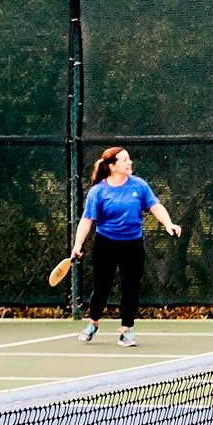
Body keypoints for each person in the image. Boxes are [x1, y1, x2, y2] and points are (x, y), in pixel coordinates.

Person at [61, 147, 182, 346]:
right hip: (105, 244)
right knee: (101, 287)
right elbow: (87, 220)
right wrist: (78, 244)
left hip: (133, 244)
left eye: (129, 159)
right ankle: (93, 323)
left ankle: (127, 330)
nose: (129, 163)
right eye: (124, 160)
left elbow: (155, 206)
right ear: (112, 166)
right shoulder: (98, 191)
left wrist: (168, 224)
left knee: (131, 287)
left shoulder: (139, 186)